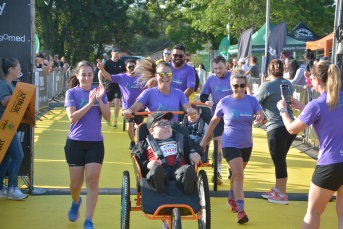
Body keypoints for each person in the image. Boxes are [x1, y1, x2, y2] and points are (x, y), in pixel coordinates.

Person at [276, 61, 343, 229]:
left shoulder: (317, 105)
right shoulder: (325, 103)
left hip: (330, 165)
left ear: (315, 80)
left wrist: (283, 110)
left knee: (313, 213)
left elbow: (292, 129)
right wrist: (303, 108)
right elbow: (330, 117)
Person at [200, 69, 264, 224]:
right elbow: (214, 121)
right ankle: (241, 212)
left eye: (242, 85)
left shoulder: (251, 100)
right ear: (231, 85)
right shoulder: (225, 101)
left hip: (246, 144)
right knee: (240, 175)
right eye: (236, 86)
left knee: (237, 175)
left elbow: (261, 114)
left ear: (246, 85)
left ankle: (231, 196)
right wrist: (204, 141)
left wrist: (262, 116)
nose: (239, 89)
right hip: (229, 143)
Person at [131, 111, 202, 229]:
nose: (166, 127)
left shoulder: (181, 139)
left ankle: (187, 185)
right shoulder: (144, 144)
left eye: (168, 124)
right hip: (158, 172)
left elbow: (196, 145)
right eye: (161, 124)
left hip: (179, 170)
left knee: (188, 169)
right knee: (156, 171)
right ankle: (160, 186)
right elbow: (136, 157)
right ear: (152, 131)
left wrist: (194, 152)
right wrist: (147, 164)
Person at [64, 60, 111, 229]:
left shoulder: (99, 92)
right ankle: (76, 202)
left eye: (89, 74)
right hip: (75, 143)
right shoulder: (71, 92)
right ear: (77, 76)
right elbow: (72, 117)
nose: (86, 78)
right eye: (83, 75)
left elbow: (108, 117)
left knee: (92, 181)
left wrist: (99, 100)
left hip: (95, 144)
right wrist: (90, 103)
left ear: (93, 76)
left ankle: (88, 220)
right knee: (76, 184)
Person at [254, 59, 296, 204]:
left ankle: (282, 194)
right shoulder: (288, 83)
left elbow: (253, 102)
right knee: (281, 159)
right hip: (290, 124)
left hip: (276, 127)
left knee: (279, 161)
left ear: (269, 71)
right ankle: (278, 189)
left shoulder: (266, 85)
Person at [123, 59, 197, 122]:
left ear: (172, 75)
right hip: (154, 134)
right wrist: (128, 112)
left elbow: (190, 112)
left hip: (173, 133)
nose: (165, 77)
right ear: (156, 75)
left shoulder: (179, 93)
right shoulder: (148, 93)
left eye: (168, 74)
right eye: (161, 74)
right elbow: (132, 110)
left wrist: (192, 113)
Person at [97, 58, 144, 150]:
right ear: (126, 68)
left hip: (139, 106)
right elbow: (108, 77)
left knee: (139, 127)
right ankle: (132, 142)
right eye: (129, 66)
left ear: (136, 67)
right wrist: (101, 69)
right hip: (127, 107)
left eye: (133, 66)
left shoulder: (141, 77)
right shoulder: (122, 77)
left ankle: (139, 143)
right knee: (129, 125)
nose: (131, 68)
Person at [200, 56, 233, 184]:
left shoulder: (232, 77)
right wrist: (206, 101)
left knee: (231, 144)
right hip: (217, 117)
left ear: (226, 66)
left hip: (232, 117)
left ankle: (231, 166)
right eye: (215, 69)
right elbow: (203, 95)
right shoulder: (211, 79)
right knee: (217, 144)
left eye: (220, 68)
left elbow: (243, 91)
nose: (218, 71)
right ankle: (217, 171)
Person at [0, 58, 28, 200]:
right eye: (18, 68)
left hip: (8, 124)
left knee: (7, 157)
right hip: (5, 125)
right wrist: (19, 95)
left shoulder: (9, 85)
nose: (20, 71)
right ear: (11, 69)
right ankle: (12, 188)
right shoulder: (4, 84)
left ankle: (1, 189)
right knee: (18, 155)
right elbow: (4, 101)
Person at [99, 47, 126, 127]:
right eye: (115, 53)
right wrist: (100, 82)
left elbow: (125, 73)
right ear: (111, 53)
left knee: (117, 102)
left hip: (118, 85)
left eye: (118, 53)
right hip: (109, 85)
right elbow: (100, 72)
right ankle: (108, 118)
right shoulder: (107, 62)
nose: (117, 55)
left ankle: (115, 120)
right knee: (109, 103)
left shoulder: (121, 62)